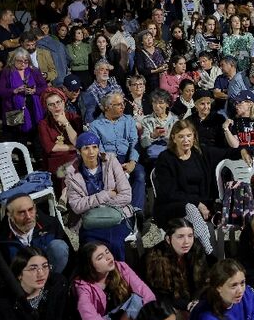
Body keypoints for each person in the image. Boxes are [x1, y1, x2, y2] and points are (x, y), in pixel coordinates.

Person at [153, 120, 226, 255]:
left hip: (201, 204)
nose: (185, 140)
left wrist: (244, 151)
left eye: (189, 136)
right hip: (171, 206)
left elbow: (226, 153)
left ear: (194, 136)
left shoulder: (200, 153)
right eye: (181, 136)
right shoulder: (165, 158)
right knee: (190, 208)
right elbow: (169, 193)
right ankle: (209, 253)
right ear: (173, 138)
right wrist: (197, 203)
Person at [65, 131, 137, 260]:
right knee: (91, 249)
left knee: (116, 244)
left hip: (117, 215)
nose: (91, 152)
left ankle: (121, 276)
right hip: (90, 220)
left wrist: (92, 203)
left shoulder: (111, 161)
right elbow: (76, 206)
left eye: (94, 147)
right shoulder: (72, 173)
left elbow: (126, 195)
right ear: (79, 151)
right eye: (86, 148)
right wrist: (106, 195)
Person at [74, 241, 156, 320]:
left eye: (107, 252)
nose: (108, 257)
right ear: (90, 266)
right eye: (100, 257)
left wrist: (155, 317)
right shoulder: (83, 287)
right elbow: (91, 319)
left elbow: (144, 291)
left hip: (123, 317)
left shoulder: (121, 267)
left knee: (138, 300)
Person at [143, 218, 209, 320]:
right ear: (168, 239)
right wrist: (187, 305)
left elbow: (202, 280)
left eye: (190, 236)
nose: (186, 241)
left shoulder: (196, 249)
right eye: (180, 237)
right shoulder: (157, 258)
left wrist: (195, 301)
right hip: (168, 304)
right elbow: (160, 293)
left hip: (192, 301)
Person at [89, 90, 147, 212]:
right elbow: (99, 149)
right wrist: (113, 164)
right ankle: (114, 211)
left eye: (123, 104)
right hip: (107, 161)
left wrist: (132, 162)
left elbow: (134, 142)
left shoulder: (129, 120)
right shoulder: (96, 125)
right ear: (107, 107)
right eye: (118, 104)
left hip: (127, 157)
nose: (123, 106)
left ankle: (137, 210)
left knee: (140, 173)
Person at [0, 192, 72, 275]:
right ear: (10, 215)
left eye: (30, 210)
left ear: (35, 208)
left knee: (59, 247)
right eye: (22, 212)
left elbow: (71, 257)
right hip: (21, 281)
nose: (28, 216)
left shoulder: (50, 224)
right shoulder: (2, 239)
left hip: (51, 274)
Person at [0, 46, 47, 144]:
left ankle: (37, 157)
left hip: (33, 106)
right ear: (13, 60)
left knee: (36, 132)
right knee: (18, 135)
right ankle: (21, 156)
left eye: (26, 61)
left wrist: (34, 91)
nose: (23, 64)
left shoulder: (34, 70)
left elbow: (44, 87)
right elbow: (1, 91)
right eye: (20, 61)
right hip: (13, 108)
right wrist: (14, 90)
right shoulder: (7, 72)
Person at [37, 87, 82, 181]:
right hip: (55, 159)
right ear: (47, 107)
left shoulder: (74, 118)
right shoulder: (43, 124)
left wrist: (66, 123)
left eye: (58, 102)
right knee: (63, 171)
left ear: (63, 101)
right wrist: (74, 147)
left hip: (74, 156)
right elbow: (50, 147)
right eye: (51, 104)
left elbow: (77, 142)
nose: (56, 106)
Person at [139, 89, 178, 165]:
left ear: (167, 104)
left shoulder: (175, 120)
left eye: (161, 103)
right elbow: (144, 144)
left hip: (171, 154)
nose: (157, 106)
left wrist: (167, 136)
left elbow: (178, 142)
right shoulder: (146, 120)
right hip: (154, 157)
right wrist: (153, 136)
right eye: (154, 102)